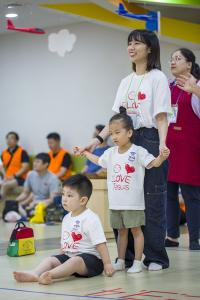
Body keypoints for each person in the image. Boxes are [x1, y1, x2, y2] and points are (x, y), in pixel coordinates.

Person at [76, 30, 171, 271]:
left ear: (150, 48)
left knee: (152, 200)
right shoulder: (125, 81)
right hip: (126, 141)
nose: (132, 47)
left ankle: (155, 257)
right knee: (124, 199)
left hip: (149, 139)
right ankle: (127, 258)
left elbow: (161, 116)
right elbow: (116, 121)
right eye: (129, 43)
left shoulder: (158, 78)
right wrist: (97, 140)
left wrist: (162, 143)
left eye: (138, 43)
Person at [77, 108, 169, 273]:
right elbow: (99, 161)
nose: (113, 137)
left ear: (129, 132)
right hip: (116, 203)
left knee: (136, 231)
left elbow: (153, 164)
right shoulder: (111, 152)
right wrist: (85, 153)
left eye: (117, 132)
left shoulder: (138, 152)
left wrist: (161, 157)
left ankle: (138, 262)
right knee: (121, 232)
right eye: (111, 133)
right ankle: (120, 260)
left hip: (133, 203)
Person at [13, 174, 115, 284]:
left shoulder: (91, 218)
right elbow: (64, 242)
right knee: (50, 260)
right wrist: (59, 258)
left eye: (70, 196)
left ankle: (50, 275)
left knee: (75, 261)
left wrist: (107, 263)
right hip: (70, 257)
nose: (64, 199)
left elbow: (101, 244)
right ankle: (35, 273)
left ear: (83, 200)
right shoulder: (67, 217)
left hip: (91, 262)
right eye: (63, 194)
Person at [165, 48, 200, 250]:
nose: (173, 61)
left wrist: (194, 89)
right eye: (172, 58)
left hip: (190, 149)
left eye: (178, 58)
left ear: (189, 64)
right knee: (168, 194)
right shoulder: (167, 87)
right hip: (169, 148)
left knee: (191, 195)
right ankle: (171, 236)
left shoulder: (197, 85)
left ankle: (195, 237)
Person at [0, 132, 30, 200]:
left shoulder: (22, 152)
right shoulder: (4, 153)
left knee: (5, 185)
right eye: (7, 138)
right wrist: (5, 176)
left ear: (16, 141)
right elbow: (1, 165)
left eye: (11, 138)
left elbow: (25, 168)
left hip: (20, 178)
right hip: (7, 177)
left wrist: (13, 176)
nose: (9, 140)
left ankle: (2, 200)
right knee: (3, 182)